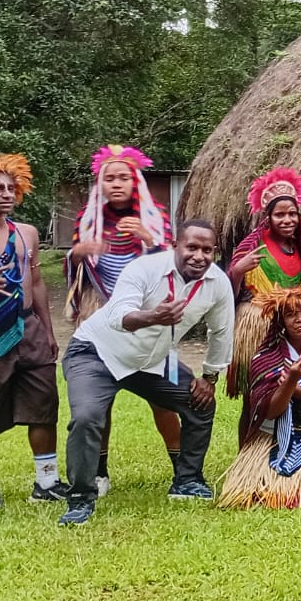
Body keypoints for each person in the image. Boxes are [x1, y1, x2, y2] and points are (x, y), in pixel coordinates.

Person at [59, 220, 234, 525]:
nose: (199, 256)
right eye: (191, 247)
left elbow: (221, 332)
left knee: (201, 402)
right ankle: (80, 500)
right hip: (96, 353)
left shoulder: (217, 283)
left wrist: (209, 379)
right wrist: (154, 316)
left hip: (151, 360)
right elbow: (118, 317)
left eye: (207, 250)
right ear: (176, 246)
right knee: (87, 417)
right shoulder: (144, 269)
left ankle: (187, 481)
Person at [65, 144, 179, 496]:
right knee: (102, 400)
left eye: (123, 177)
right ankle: (99, 473)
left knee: (164, 398)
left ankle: (183, 471)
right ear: (100, 183)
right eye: (109, 178)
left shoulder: (153, 214)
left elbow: (178, 265)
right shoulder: (90, 217)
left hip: (148, 317)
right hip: (102, 316)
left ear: (136, 181)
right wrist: (77, 253)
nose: (116, 184)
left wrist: (150, 239)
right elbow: (76, 263)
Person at [0, 154, 65, 510]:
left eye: (11, 188)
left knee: (44, 403)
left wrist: (48, 331)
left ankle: (47, 481)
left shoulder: (27, 234)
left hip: (30, 329)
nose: (6, 194)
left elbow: (35, 282)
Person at [219, 281, 301, 509]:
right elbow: (269, 411)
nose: (300, 319)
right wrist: (290, 383)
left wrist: (297, 389)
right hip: (272, 436)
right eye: (290, 314)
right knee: (259, 493)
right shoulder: (264, 358)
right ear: (281, 323)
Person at [226, 167, 301, 446]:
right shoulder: (254, 245)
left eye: (292, 214)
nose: (287, 220)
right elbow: (227, 293)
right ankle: (246, 454)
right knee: (255, 398)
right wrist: (238, 271)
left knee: (288, 393)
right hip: (258, 326)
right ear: (268, 217)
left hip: (290, 329)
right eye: (280, 215)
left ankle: (281, 451)